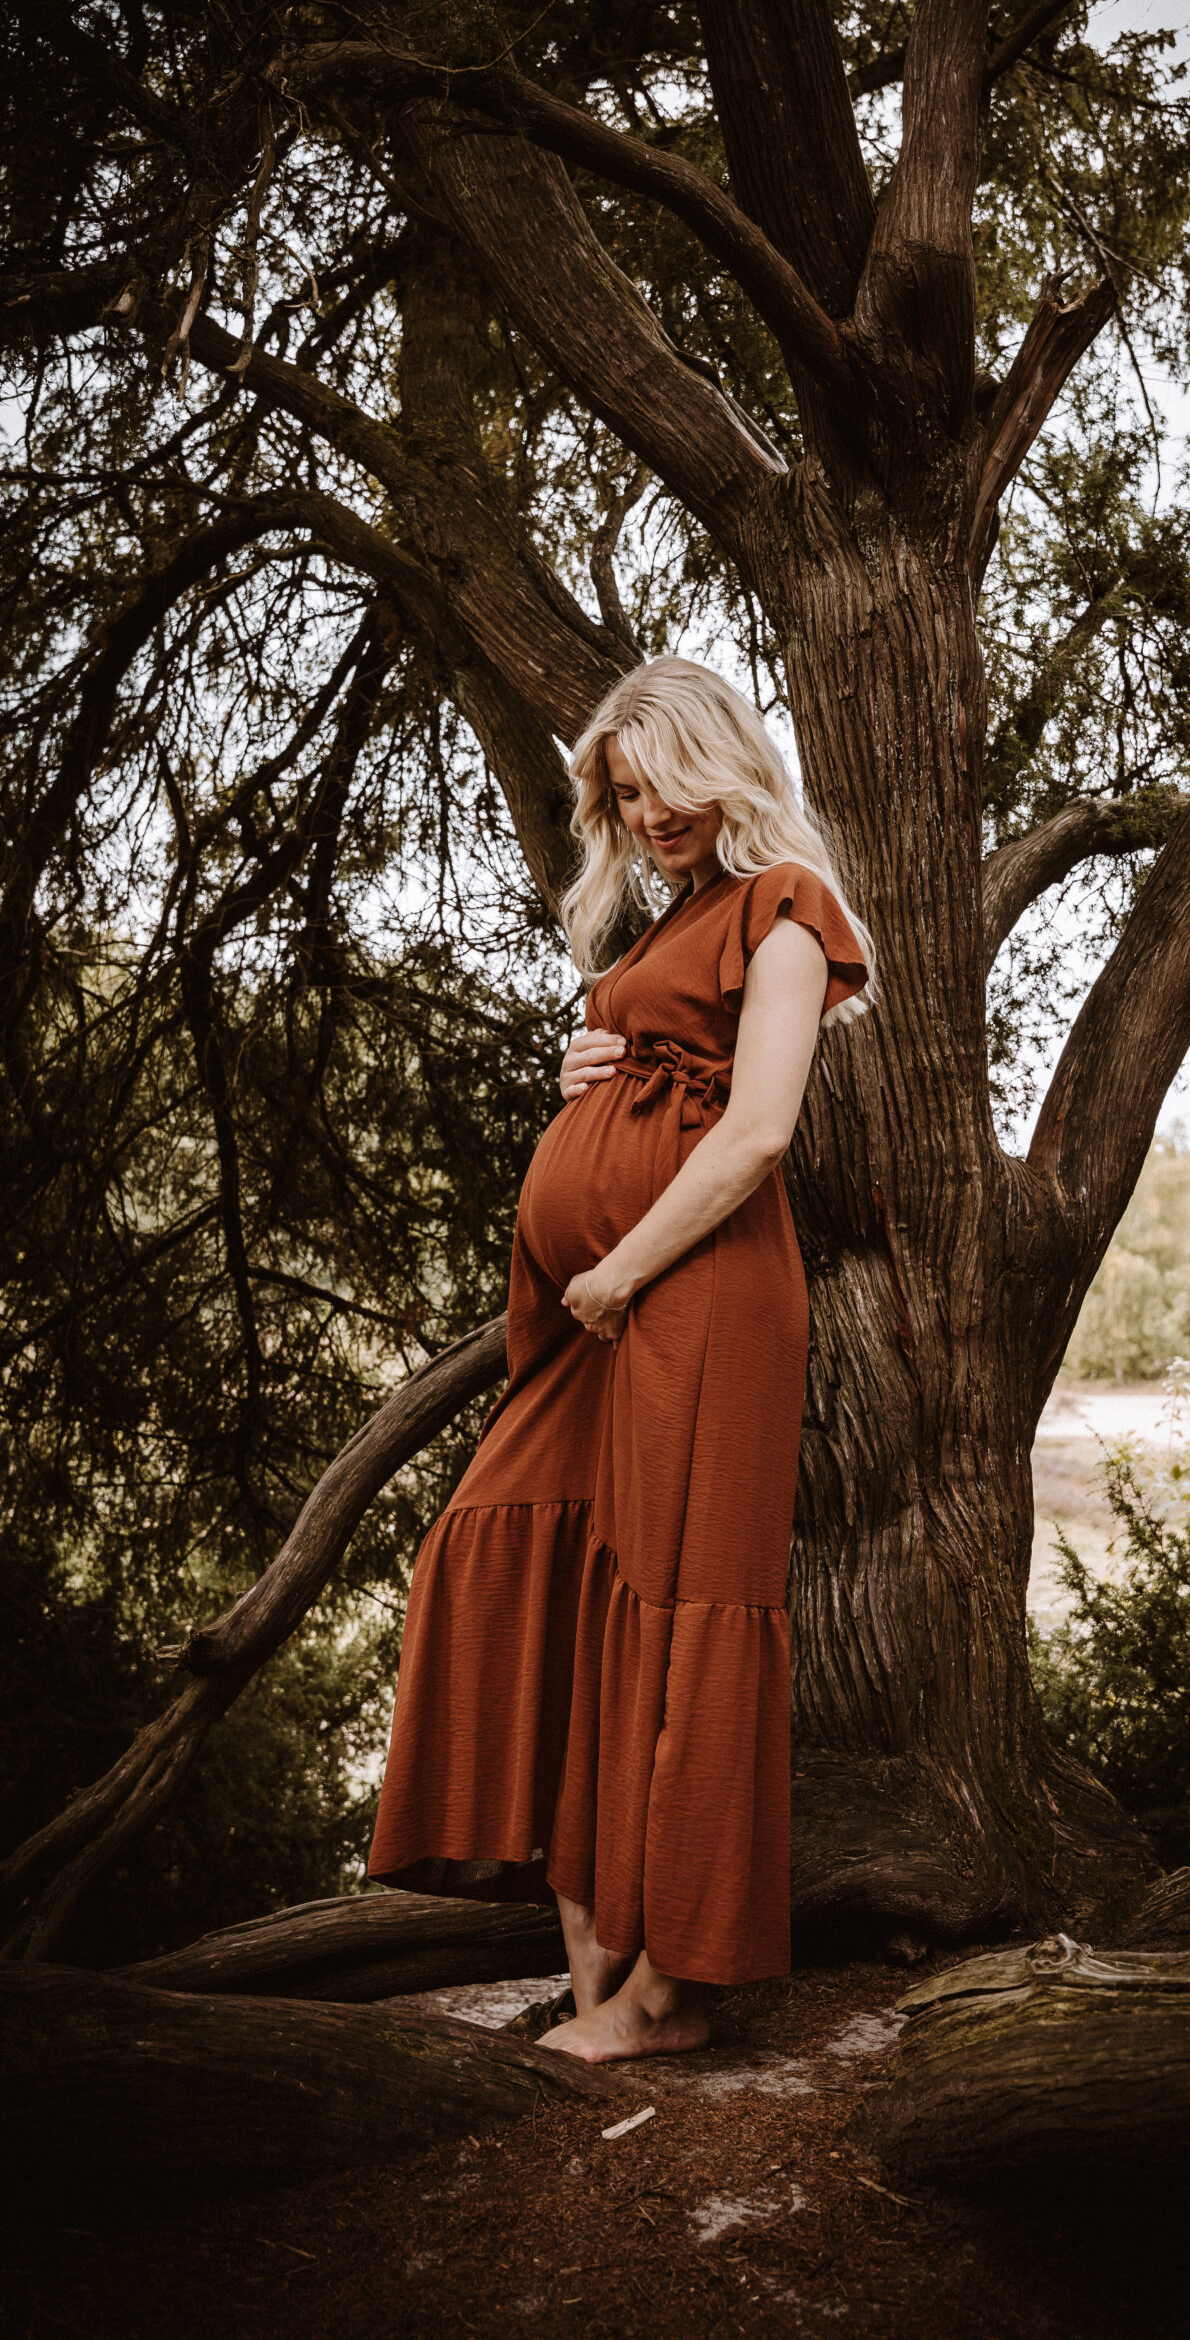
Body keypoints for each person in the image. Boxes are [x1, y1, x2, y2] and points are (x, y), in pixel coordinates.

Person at [366, 656, 872, 2062]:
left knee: (682, 1599)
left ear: (720, 765)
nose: (644, 810)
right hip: (599, 1312)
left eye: (661, 781)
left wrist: (622, 1264)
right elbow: (665, 1073)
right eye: (623, 791)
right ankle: (596, 1971)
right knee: (516, 1554)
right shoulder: (675, 920)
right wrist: (592, 1070)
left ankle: (673, 1995)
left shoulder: (784, 909)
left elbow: (761, 1128)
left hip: (692, 1296)